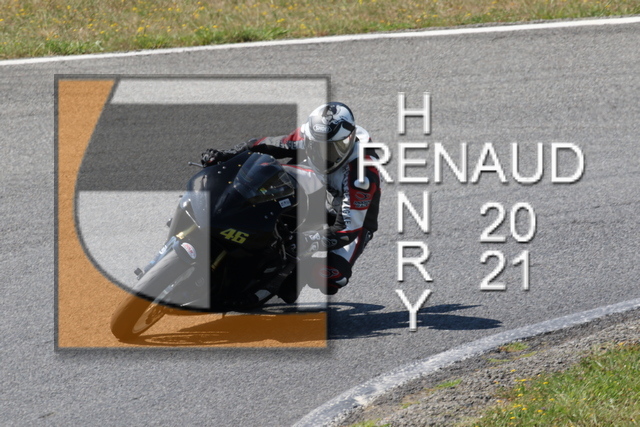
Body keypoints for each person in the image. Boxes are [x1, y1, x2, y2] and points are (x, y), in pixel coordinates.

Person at [201, 102, 381, 302]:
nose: (325, 155)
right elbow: (263, 145)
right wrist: (225, 154)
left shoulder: (362, 175)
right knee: (265, 177)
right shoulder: (305, 135)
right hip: (315, 178)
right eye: (318, 146)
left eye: (334, 148)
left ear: (350, 140)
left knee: (332, 276)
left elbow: (347, 230)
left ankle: (290, 274)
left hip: (354, 216)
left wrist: (307, 241)